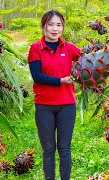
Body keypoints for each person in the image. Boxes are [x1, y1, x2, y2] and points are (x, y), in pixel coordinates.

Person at [27, 10, 82, 180]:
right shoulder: (35, 48)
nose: (54, 29)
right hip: (44, 106)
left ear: (62, 27)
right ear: (44, 26)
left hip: (67, 105)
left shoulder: (69, 47)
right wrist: (60, 81)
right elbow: (37, 76)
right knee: (48, 149)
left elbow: (88, 60)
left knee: (64, 148)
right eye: (50, 24)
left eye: (58, 25)